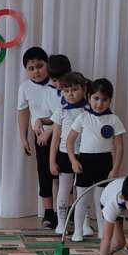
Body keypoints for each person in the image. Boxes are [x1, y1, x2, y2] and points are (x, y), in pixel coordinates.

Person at [66, 78, 126, 242]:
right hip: (84, 161)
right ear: (89, 97)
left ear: (110, 100)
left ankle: (102, 231)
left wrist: (115, 168)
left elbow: (119, 147)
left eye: (104, 99)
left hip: (104, 162)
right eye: (96, 98)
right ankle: (78, 231)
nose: (99, 103)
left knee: (102, 200)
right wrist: (73, 161)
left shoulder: (114, 119)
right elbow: (70, 141)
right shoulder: (83, 117)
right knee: (81, 199)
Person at [16, 47, 58, 229]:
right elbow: (23, 112)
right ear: (26, 70)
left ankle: (68, 211)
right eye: (31, 68)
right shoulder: (25, 87)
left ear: (47, 64)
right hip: (41, 136)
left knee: (65, 173)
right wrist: (23, 137)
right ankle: (49, 212)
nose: (36, 71)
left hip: (63, 133)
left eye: (40, 66)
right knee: (44, 172)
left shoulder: (58, 84)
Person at [48, 71, 88, 235]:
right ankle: (61, 223)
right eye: (66, 91)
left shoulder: (89, 110)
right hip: (64, 155)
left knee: (83, 191)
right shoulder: (61, 112)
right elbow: (55, 138)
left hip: (85, 154)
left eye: (75, 89)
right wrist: (52, 161)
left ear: (84, 89)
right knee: (64, 189)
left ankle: (84, 224)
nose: (70, 94)